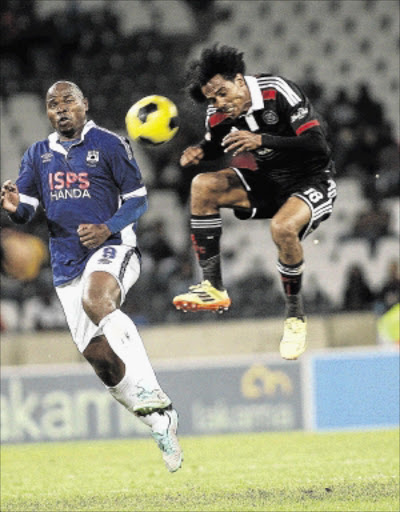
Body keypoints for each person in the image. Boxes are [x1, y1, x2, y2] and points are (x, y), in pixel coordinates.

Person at [0, 81, 182, 472]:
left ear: (85, 105)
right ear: (48, 113)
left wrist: (106, 227)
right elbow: (29, 208)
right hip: (66, 264)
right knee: (101, 361)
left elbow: (138, 200)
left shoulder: (111, 144)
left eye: (68, 101)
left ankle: (151, 387)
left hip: (113, 247)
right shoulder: (38, 154)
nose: (61, 108)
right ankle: (159, 421)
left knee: (97, 299)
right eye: (53, 103)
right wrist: (15, 208)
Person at [172, 45, 337, 360]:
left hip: (312, 179)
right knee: (203, 185)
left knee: (283, 227)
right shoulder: (218, 113)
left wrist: (262, 140)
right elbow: (216, 143)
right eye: (212, 99)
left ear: (239, 79)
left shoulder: (277, 92)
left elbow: (319, 147)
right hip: (268, 182)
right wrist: (200, 152)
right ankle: (213, 287)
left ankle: (294, 317)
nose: (219, 103)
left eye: (223, 92)